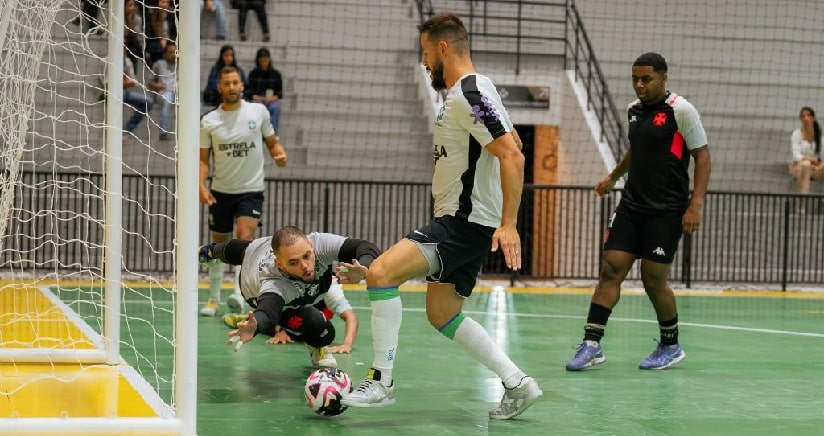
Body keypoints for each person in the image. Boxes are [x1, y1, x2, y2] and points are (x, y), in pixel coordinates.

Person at [341, 12, 542, 420]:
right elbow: (515, 142)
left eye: (426, 53)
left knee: (381, 273)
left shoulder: (468, 92)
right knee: (442, 313)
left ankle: (381, 381)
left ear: (443, 48)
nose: (424, 62)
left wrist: (509, 224)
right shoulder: (478, 89)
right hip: (470, 222)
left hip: (462, 221)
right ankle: (517, 382)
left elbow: (513, 155)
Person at [565, 52, 711, 372]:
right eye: (635, 79)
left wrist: (695, 204)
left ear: (663, 78)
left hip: (666, 211)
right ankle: (591, 343)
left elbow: (702, 155)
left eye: (646, 79)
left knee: (653, 279)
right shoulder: (633, 110)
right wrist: (612, 177)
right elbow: (636, 148)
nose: (639, 85)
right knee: (611, 269)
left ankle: (670, 345)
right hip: (632, 206)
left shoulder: (681, 110)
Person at [215, 226, 380, 367]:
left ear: (311, 246)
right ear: (280, 265)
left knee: (326, 334)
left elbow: (367, 248)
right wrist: (257, 325)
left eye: (307, 256)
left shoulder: (321, 249)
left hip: (299, 305)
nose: (305, 266)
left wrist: (363, 267)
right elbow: (269, 310)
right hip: (258, 293)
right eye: (294, 262)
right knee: (233, 249)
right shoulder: (274, 282)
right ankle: (249, 319)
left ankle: (259, 323)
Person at [199, 65, 287, 316]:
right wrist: (200, 185)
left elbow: (273, 142)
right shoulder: (209, 121)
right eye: (226, 83)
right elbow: (203, 160)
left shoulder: (258, 112)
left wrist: (279, 154)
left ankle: (239, 294)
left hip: (251, 190)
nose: (231, 87)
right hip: (221, 191)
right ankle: (213, 299)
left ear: (242, 85)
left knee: (244, 238)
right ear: (219, 87)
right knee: (219, 246)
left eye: (235, 82)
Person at [789, 106, 824, 212]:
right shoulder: (797, 133)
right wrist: (810, 159)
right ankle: (800, 204)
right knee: (806, 165)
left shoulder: (819, 136)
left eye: (808, 115)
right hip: (798, 167)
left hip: (815, 169)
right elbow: (796, 155)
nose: (806, 118)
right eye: (803, 116)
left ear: (813, 118)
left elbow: (821, 155)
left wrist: (819, 163)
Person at [245, 47, 283, 134]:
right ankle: (256, 133)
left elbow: (279, 94)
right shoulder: (253, 74)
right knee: (256, 107)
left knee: (276, 108)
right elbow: (249, 93)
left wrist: (271, 98)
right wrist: (259, 98)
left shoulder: (276, 74)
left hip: (272, 99)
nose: (264, 62)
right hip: (258, 99)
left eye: (266, 59)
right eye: (262, 59)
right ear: (258, 60)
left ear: (269, 59)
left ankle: (273, 134)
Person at [147, 42, 177, 140]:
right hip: (164, 92)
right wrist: (158, 85)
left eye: (176, 52)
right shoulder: (159, 64)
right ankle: (163, 131)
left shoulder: (183, 65)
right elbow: (149, 82)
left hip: (179, 94)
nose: (174, 55)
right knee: (168, 98)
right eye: (171, 52)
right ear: (165, 54)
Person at [122, 49, 153, 137]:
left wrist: (125, 81)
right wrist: (125, 81)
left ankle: (126, 130)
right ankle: (115, 128)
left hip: (123, 91)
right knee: (120, 96)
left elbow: (133, 81)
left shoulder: (127, 62)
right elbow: (107, 83)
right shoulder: (106, 61)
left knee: (147, 101)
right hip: (107, 92)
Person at [145, 0, 177, 66]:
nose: (165, 5)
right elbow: (149, 33)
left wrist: (168, 41)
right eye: (163, 2)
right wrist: (160, 40)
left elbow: (174, 33)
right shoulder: (152, 15)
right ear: (158, 3)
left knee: (173, 49)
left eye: (167, 3)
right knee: (158, 48)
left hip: (169, 42)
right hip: (154, 41)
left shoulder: (171, 15)